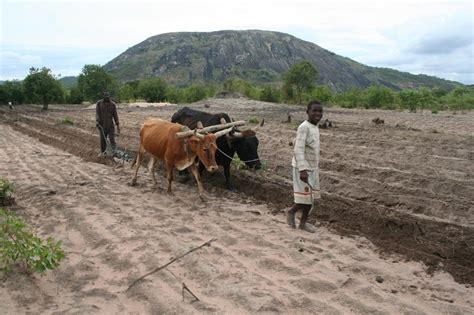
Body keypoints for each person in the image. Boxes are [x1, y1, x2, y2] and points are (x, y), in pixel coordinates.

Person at [286, 100, 323, 233]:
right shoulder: (304, 127)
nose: (318, 114)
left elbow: (302, 142)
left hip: (313, 167)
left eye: (320, 111)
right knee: (304, 198)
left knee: (310, 198)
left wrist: (293, 141)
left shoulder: (314, 127)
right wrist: (302, 170)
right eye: (314, 111)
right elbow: (298, 150)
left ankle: (303, 223)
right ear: (307, 112)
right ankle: (291, 211)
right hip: (303, 169)